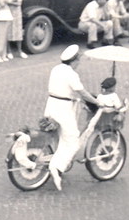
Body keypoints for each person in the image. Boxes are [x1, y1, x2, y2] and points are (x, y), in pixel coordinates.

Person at [42, 45, 101, 191]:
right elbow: (82, 92)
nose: (79, 62)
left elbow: (62, 90)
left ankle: (58, 164)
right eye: (78, 60)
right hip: (63, 110)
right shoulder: (71, 74)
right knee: (72, 140)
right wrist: (96, 102)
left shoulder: (56, 69)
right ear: (74, 60)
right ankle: (56, 167)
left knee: (57, 139)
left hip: (51, 105)